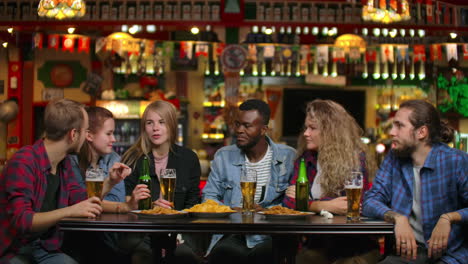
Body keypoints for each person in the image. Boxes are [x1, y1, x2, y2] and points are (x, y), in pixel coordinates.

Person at [0, 99, 129, 264]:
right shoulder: (24, 161)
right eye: (85, 131)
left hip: (45, 249)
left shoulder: (64, 162)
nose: (85, 136)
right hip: (15, 250)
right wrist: (69, 211)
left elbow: (80, 200)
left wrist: (110, 182)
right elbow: (23, 221)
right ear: (73, 134)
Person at [363, 99, 467, 264]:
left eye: (399, 126)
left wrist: (449, 217)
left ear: (421, 132)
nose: (392, 132)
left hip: (451, 255)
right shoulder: (393, 158)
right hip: (406, 255)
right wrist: (398, 218)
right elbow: (370, 200)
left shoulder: (455, 161)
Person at [283, 99, 380, 264]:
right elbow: (288, 202)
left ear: (331, 131)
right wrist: (322, 206)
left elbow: (347, 206)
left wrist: (308, 202)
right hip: (318, 243)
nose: (306, 133)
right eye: (306, 127)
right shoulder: (306, 158)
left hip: (355, 245)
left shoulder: (355, 159)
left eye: (312, 128)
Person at [202, 99, 296, 264]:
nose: (239, 130)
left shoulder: (289, 157)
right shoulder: (223, 156)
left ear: (263, 129)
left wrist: (266, 212)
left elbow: (295, 203)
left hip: (272, 234)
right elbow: (209, 196)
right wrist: (229, 210)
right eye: (237, 124)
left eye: (247, 126)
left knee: (265, 255)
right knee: (223, 254)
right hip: (234, 232)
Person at [67, 106, 151, 264]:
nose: (114, 139)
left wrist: (122, 204)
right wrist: (124, 206)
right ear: (89, 135)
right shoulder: (71, 161)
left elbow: (115, 199)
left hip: (109, 237)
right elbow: (78, 203)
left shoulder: (113, 158)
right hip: (78, 237)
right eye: (109, 133)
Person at [122, 100, 201, 263]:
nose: (155, 128)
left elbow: (193, 204)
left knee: (184, 257)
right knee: (142, 257)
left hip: (179, 231)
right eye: (149, 123)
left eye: (161, 122)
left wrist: (180, 234)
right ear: (144, 127)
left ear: (172, 125)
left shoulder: (188, 158)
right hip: (141, 232)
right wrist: (144, 205)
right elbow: (122, 202)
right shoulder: (132, 158)